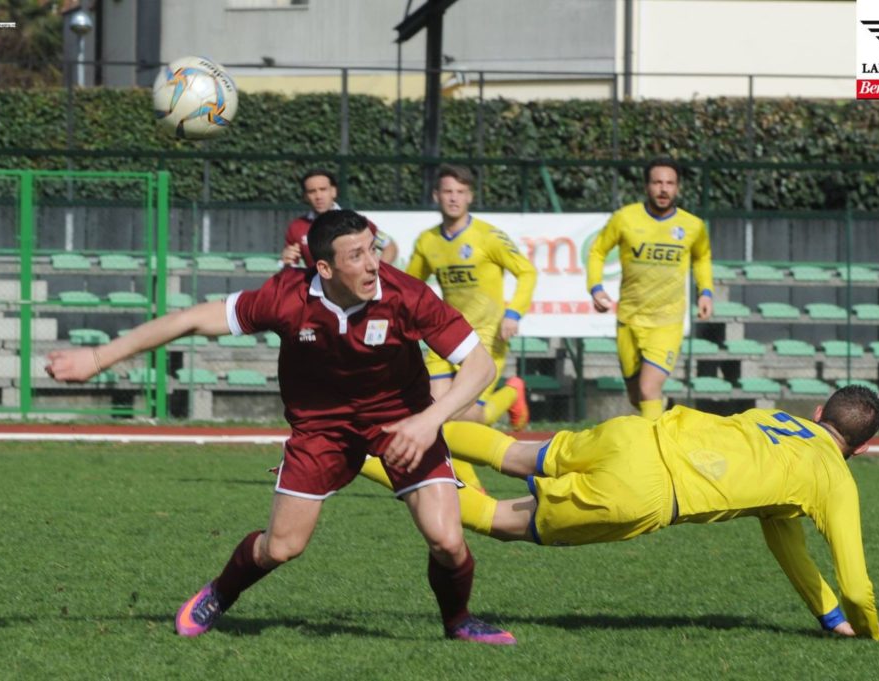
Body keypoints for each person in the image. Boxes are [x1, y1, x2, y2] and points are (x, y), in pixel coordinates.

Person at [46, 209, 516, 646]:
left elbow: (479, 366)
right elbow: (191, 319)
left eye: (373, 248)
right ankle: (220, 593)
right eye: (357, 255)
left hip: (403, 421)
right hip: (322, 430)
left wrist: (428, 420)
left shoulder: (406, 294)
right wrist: (97, 358)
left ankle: (458, 621)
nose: (373, 263)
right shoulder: (286, 296)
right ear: (325, 270)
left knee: (448, 541)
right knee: (282, 547)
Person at [448, 385, 879, 642]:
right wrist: (868, 628)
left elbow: (784, 536)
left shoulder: (776, 418)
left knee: (512, 453)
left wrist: (828, 616)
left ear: (819, 410)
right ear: (863, 448)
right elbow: (857, 587)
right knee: (499, 517)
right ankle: (373, 460)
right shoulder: (834, 480)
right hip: (647, 490)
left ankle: (393, 425)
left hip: (636, 434)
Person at [406, 164, 538, 430]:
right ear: (436, 196)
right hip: (445, 331)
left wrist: (513, 314)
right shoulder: (427, 241)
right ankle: (454, 473)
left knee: (470, 418)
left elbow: (527, 271)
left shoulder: (488, 237)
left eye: (460, 191)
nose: (454, 197)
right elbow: (409, 285)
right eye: (447, 191)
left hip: (486, 335)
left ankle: (513, 392)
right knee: (436, 412)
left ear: (470, 197)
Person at [586, 156, 714, 420]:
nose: (663, 189)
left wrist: (706, 292)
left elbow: (702, 257)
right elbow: (597, 251)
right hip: (629, 320)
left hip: (667, 322)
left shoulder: (692, 226)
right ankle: (662, 421)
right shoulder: (624, 219)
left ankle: (653, 455)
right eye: (657, 182)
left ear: (677, 188)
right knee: (638, 396)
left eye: (670, 183)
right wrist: (596, 287)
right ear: (647, 186)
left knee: (648, 387)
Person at [282, 168, 398, 266]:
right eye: (312, 191)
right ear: (305, 197)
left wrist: (376, 272)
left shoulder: (354, 220)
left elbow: (389, 247)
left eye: (323, 190)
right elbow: (291, 266)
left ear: (334, 192)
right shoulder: (297, 227)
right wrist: (286, 262)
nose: (318, 196)